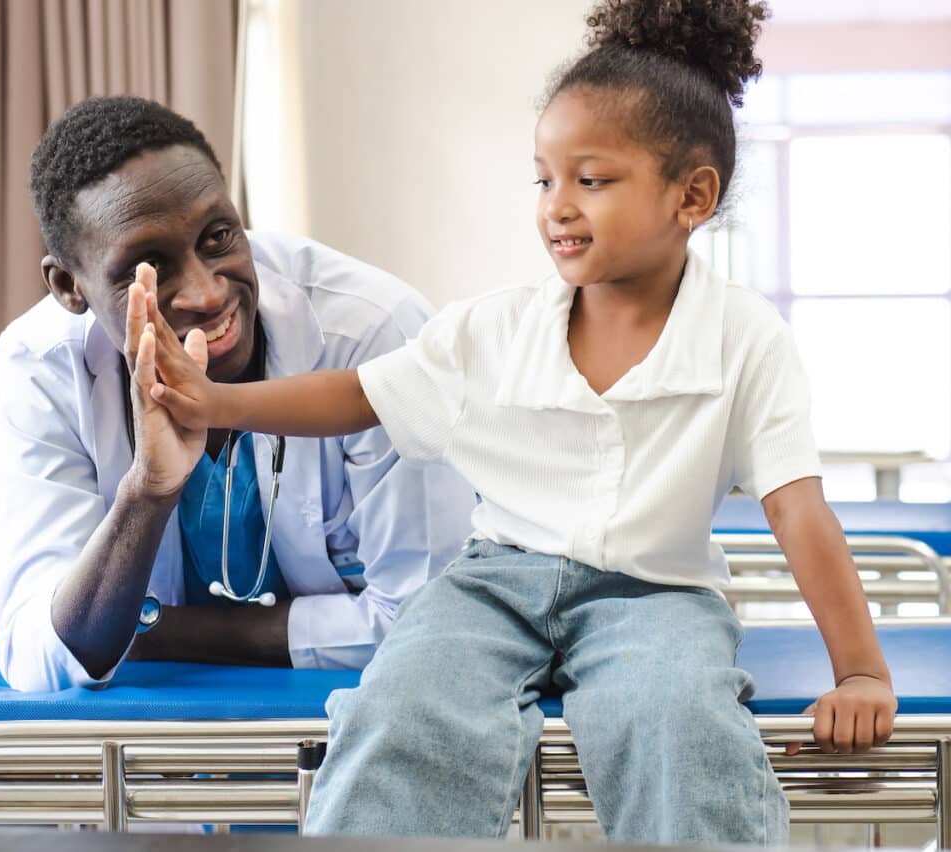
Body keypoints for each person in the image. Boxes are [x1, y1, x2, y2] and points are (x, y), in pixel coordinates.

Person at [134, 0, 897, 842]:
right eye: (545, 179)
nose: (557, 206)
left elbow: (798, 509)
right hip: (493, 587)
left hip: (660, 596)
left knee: (677, 724)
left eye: (591, 180)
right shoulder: (493, 327)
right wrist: (220, 405)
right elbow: (359, 393)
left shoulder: (745, 337)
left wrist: (860, 670)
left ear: (694, 196)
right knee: (400, 711)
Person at [0, 96, 477, 693]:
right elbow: (41, 658)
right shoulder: (41, 368)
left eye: (218, 236)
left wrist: (154, 630)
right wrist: (147, 493)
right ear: (69, 286)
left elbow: (430, 625)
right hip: (150, 758)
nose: (207, 293)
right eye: (149, 269)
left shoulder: (373, 333)